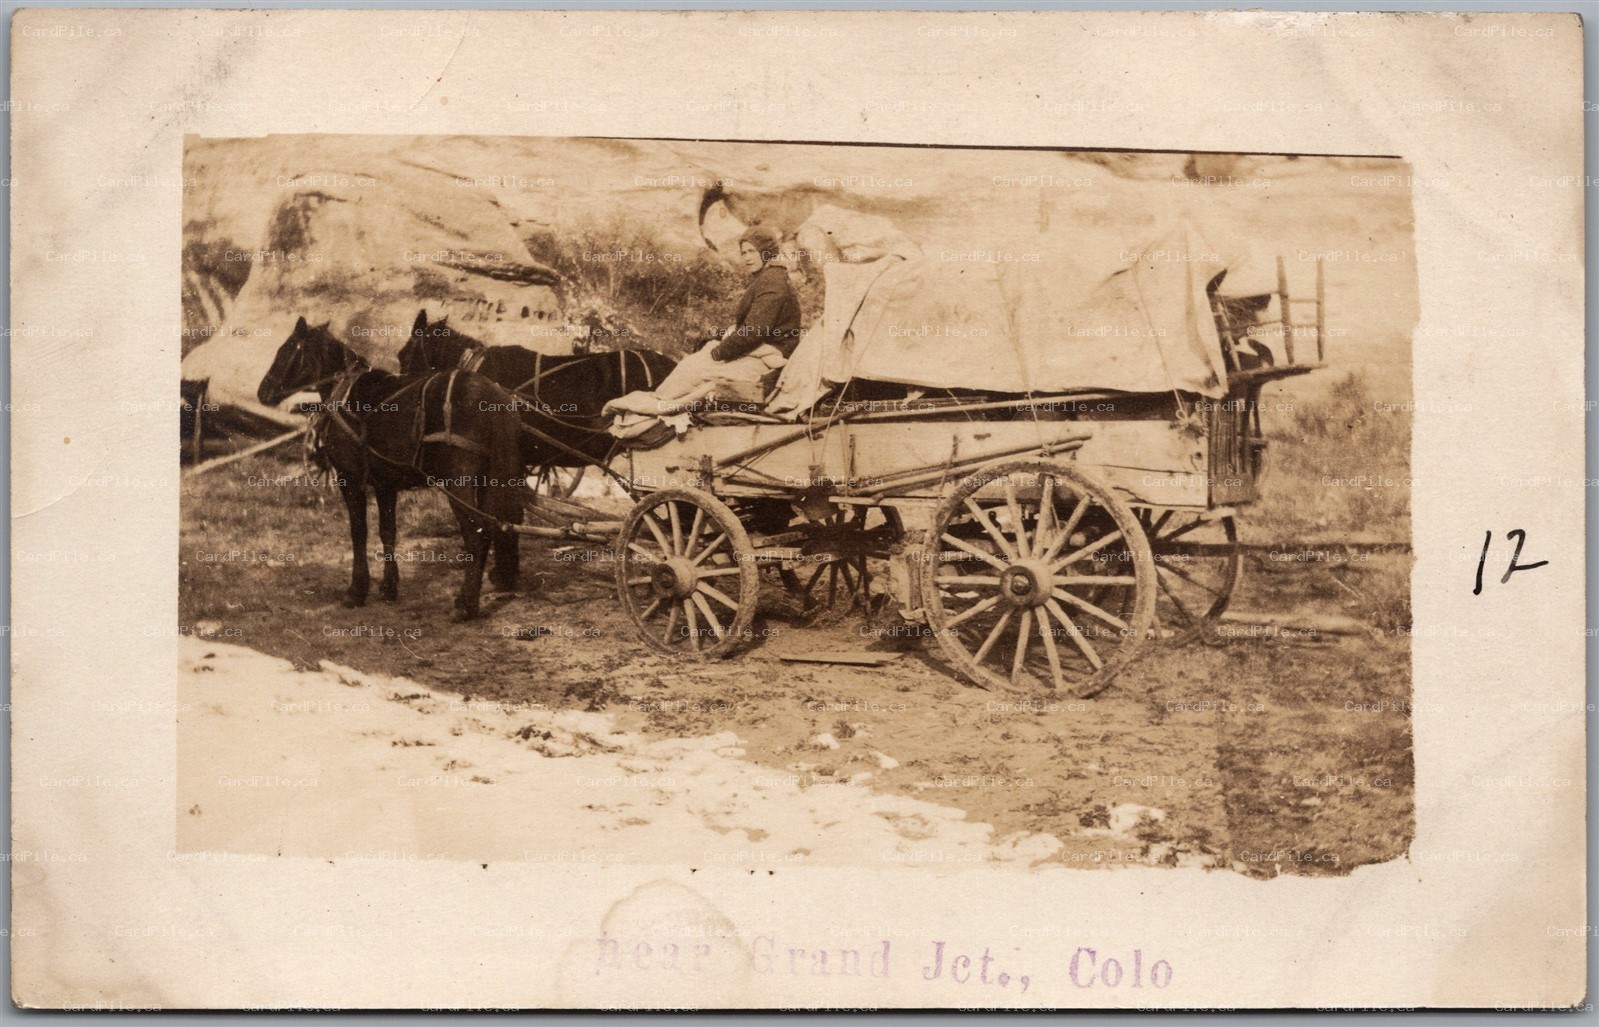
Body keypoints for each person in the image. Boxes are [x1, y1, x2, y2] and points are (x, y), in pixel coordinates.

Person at [651, 224, 802, 406]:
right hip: (761, 348)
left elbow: (752, 333)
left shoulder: (771, 283)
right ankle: (662, 401)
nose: (746, 258)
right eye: (743, 252)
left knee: (693, 369)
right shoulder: (769, 277)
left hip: (770, 357)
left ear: (767, 252)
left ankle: (658, 407)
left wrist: (718, 352)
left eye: (752, 251)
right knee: (696, 361)